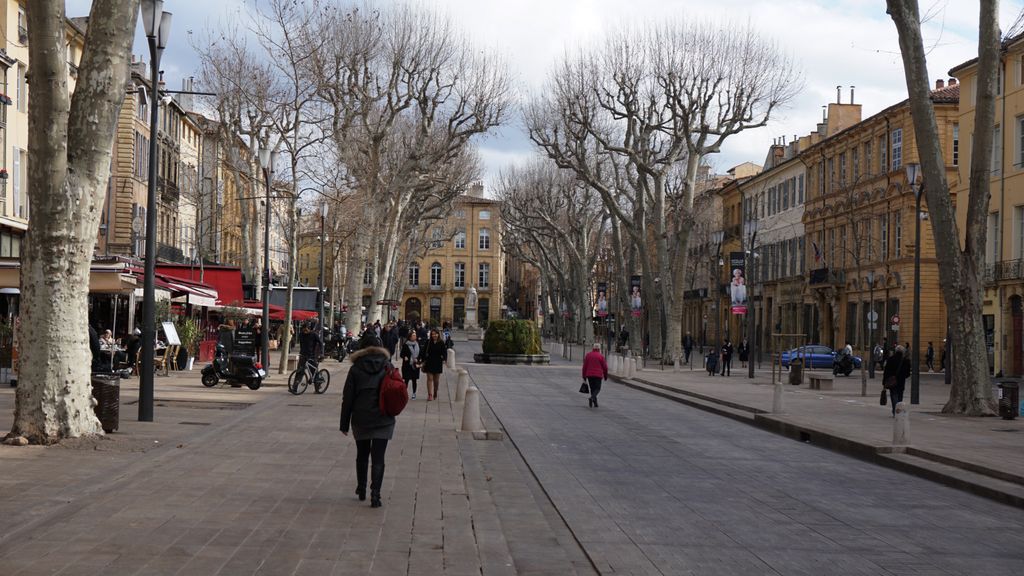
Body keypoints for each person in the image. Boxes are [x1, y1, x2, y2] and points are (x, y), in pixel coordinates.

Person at [340, 331, 395, 508]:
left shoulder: (355, 368)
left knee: (362, 454)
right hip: (383, 416)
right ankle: (376, 495)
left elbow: (347, 397)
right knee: (379, 458)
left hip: (361, 416)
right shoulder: (387, 365)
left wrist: (344, 423)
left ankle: (362, 488)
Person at [882, 345, 911, 416]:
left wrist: (884, 382)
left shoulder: (891, 359)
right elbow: (908, 373)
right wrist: (903, 376)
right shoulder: (905, 361)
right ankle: (899, 411)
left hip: (892, 381)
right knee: (900, 396)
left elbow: (886, 371)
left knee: (894, 396)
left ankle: (895, 411)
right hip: (901, 382)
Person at [419, 329, 447, 401]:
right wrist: (421, 360)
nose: (434, 335)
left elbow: (444, 352)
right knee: (429, 379)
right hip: (429, 362)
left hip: (438, 363)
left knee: (436, 381)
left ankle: (435, 392)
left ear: (438, 334)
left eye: (436, 334)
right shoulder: (428, 342)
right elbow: (423, 351)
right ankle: (430, 395)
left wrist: (444, 359)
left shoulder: (441, 342)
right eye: (433, 334)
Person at [581, 342, 608, 408]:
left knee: (592, 388)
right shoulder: (601, 356)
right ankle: (592, 398)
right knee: (597, 388)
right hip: (598, 375)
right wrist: (605, 376)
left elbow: (584, 366)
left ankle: (595, 402)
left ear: (593, 348)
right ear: (599, 348)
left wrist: (584, 376)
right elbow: (605, 367)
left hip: (589, 375)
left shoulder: (588, 355)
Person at [400, 331, 421, 399]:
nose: (415, 337)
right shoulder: (406, 345)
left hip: (415, 365)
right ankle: (404, 393)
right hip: (407, 365)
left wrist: (418, 359)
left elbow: (420, 354)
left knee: (414, 380)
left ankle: (414, 393)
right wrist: (404, 357)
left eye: (415, 335)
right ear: (410, 337)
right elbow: (401, 354)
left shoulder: (417, 344)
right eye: (413, 335)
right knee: (406, 380)